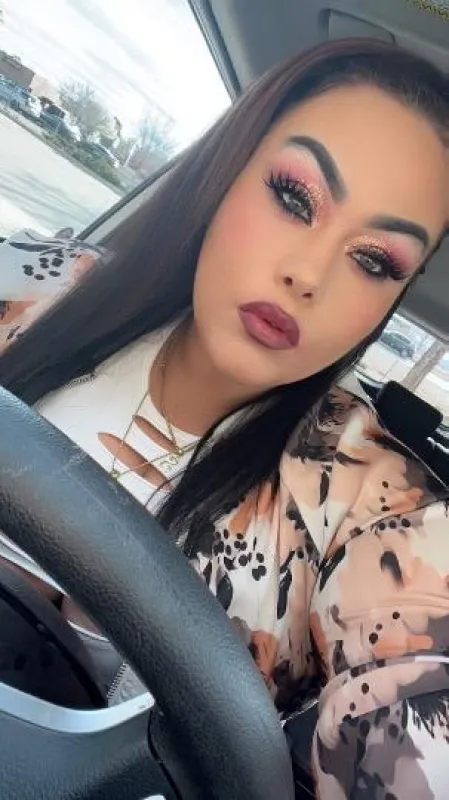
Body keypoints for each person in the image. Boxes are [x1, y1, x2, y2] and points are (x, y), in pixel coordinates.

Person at [0, 37, 448, 798]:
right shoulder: (36, 286)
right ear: (227, 170)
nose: (306, 274)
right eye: (294, 198)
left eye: (373, 261)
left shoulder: (373, 505)